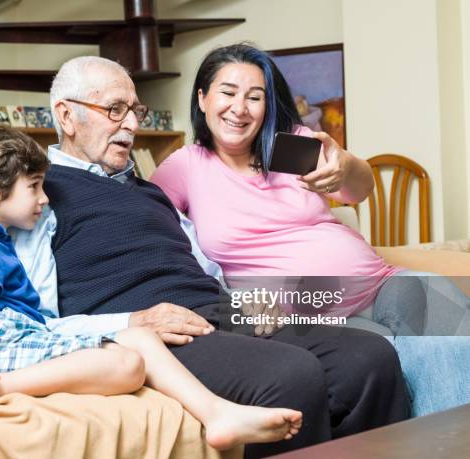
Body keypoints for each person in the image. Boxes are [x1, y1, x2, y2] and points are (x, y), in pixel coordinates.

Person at [13, 56, 410, 458]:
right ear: (67, 116)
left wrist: (242, 300)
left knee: (370, 359)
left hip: (218, 311)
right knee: (290, 374)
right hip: (157, 330)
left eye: (135, 111)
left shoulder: (149, 191)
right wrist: (131, 323)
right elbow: (31, 317)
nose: (132, 125)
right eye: (116, 110)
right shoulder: (36, 191)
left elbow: (201, 262)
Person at [0, 125, 303, 451]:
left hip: (16, 334)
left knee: (134, 350)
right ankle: (0, 388)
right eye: (35, 187)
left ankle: (218, 414)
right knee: (126, 360)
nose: (43, 198)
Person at [150, 43, 470, 416]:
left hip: (383, 283)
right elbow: (151, 234)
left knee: (453, 338)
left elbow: (358, 190)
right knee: (395, 363)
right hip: (308, 319)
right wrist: (226, 299)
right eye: (228, 92)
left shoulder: (286, 146)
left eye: (255, 97)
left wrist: (346, 166)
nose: (240, 108)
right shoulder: (185, 167)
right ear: (203, 98)